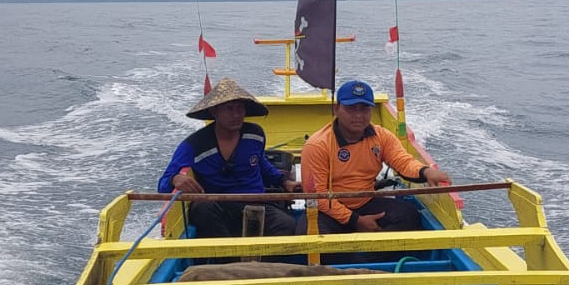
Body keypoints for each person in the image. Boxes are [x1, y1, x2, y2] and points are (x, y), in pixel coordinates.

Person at [300, 79, 451, 234]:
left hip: (366, 201)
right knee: (310, 235)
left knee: (409, 217)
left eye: (365, 109)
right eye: (351, 109)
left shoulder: (382, 136)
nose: (359, 115)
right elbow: (317, 195)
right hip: (329, 209)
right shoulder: (318, 145)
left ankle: (368, 254)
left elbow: (403, 162)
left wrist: (426, 172)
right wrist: (355, 220)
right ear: (336, 109)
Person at [159, 78, 301, 238]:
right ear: (214, 111)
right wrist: (175, 179)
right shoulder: (194, 145)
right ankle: (224, 261)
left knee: (287, 225)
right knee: (202, 208)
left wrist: (284, 181)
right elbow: (163, 184)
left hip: (256, 203)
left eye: (240, 108)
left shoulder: (255, 135)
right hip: (218, 207)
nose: (236, 115)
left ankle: (264, 263)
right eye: (229, 109)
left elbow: (260, 163)